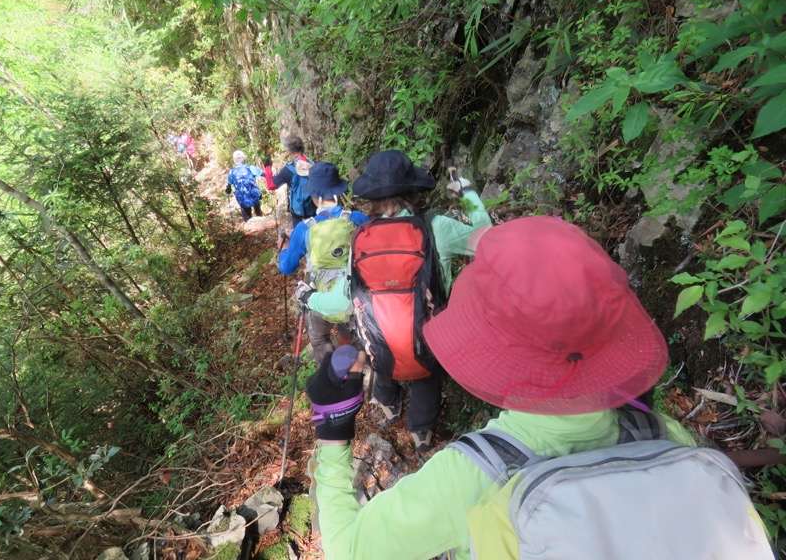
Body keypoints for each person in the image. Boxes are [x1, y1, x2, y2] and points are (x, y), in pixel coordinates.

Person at [306, 216, 767, 560]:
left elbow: (348, 549)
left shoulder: (468, 478)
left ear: (491, 352)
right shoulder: (666, 436)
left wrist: (332, 434)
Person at [349, 150, 492, 451]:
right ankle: (421, 433)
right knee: (427, 372)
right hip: (428, 342)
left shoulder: (359, 238)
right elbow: (487, 238)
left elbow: (348, 297)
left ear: (371, 199)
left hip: (381, 344)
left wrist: (310, 297)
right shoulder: (434, 227)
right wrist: (466, 195)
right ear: (413, 192)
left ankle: (388, 405)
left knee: (384, 342)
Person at [278, 162, 369, 362]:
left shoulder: (305, 228)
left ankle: (330, 374)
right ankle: (346, 359)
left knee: (319, 338)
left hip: (319, 294)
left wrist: (283, 249)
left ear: (314, 197)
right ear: (339, 191)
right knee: (347, 326)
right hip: (352, 292)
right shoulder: (357, 218)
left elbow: (286, 267)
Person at [263, 135, 317, 227]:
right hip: (315, 210)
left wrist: (268, 168)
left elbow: (271, 185)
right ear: (302, 147)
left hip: (298, 214)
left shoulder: (288, 170)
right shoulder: (314, 165)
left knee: (300, 237)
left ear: (288, 151)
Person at [225, 150, 264, 221]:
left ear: (234, 160)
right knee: (258, 212)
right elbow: (264, 174)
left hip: (242, 198)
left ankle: (249, 223)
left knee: (247, 217)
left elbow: (228, 189)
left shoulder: (231, 172)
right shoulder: (250, 168)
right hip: (254, 196)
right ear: (243, 159)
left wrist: (227, 191)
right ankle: (260, 219)